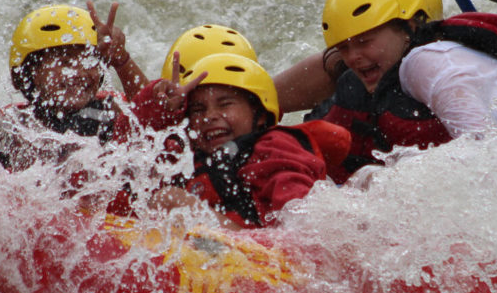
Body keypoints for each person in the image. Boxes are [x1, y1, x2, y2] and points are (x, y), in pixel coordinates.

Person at [308, 0, 497, 181]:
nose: (352, 57)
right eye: (343, 47)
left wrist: (379, 180)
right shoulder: (397, 65)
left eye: (364, 41)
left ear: (409, 26)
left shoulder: (428, 62)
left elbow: (487, 155)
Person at [127, 53, 349, 228]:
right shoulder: (189, 154)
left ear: (260, 114)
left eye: (225, 104)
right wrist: (157, 107)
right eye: (198, 109)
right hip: (215, 250)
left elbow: (300, 220)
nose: (209, 116)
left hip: (259, 257)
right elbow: (129, 149)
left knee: (170, 201)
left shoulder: (273, 145)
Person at [0, 4, 137, 174]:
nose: (80, 73)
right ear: (31, 72)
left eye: (89, 61)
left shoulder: (111, 110)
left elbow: (157, 116)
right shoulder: (13, 125)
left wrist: (122, 61)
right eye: (65, 62)